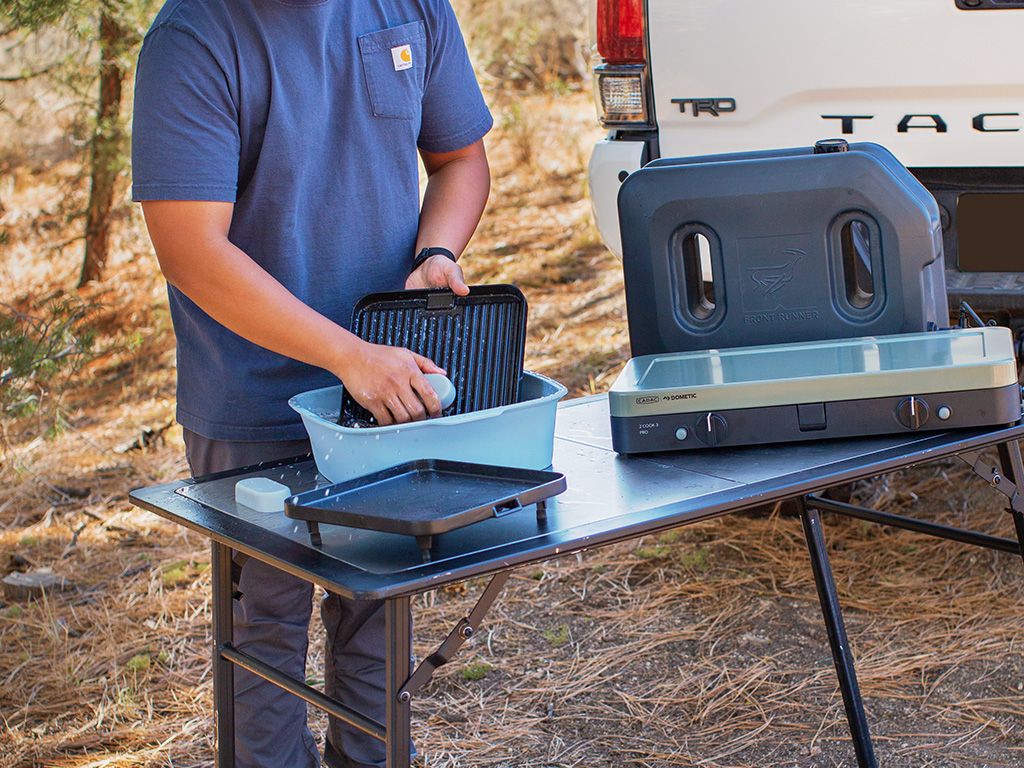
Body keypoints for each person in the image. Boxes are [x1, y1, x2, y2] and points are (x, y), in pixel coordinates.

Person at [131, 0, 493, 764]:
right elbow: (192, 250)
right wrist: (345, 356)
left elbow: (461, 159)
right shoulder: (194, 36)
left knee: (377, 619)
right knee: (264, 635)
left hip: (387, 387)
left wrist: (438, 253)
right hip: (253, 401)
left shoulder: (412, 7)